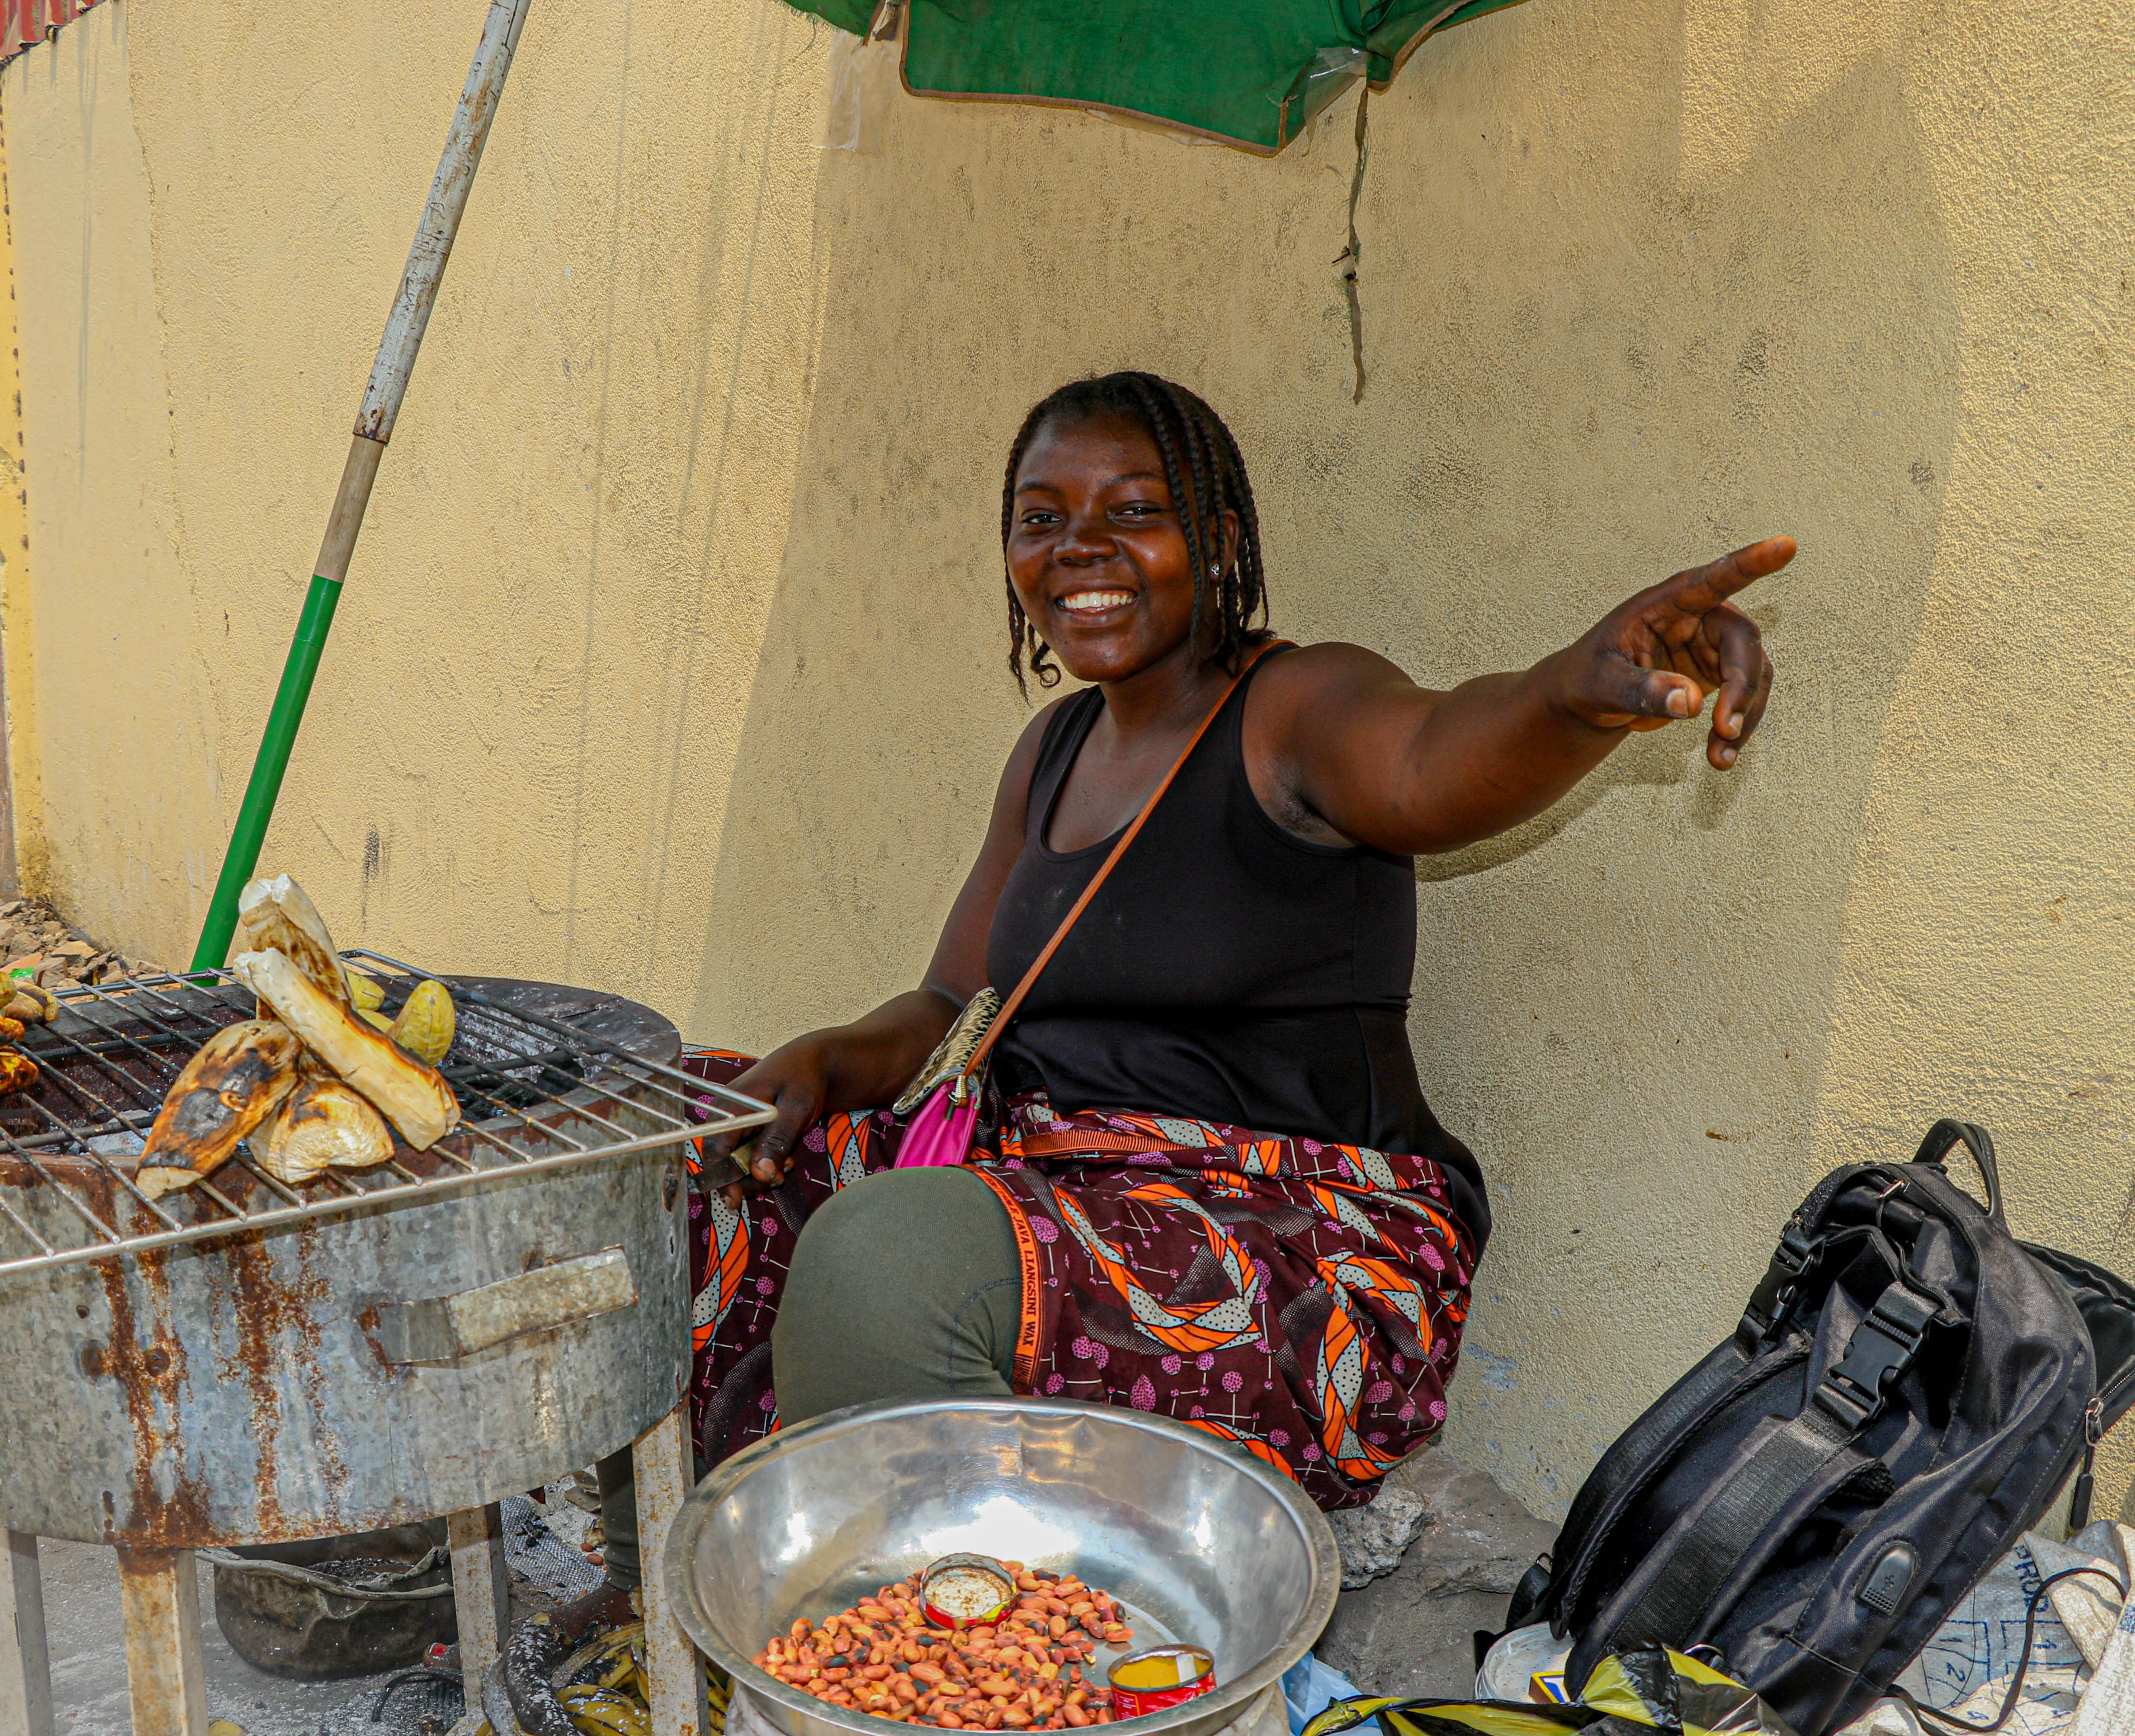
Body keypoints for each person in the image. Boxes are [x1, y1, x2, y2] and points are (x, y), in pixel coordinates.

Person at [553, 370, 1784, 1635]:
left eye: (1131, 511)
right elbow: (952, 1000)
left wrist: (1573, 692)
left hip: (1305, 1237)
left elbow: (1437, 763)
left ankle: (927, 1665)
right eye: (1041, 520)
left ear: (1221, 540)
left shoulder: (1296, 708)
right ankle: (685, 1594)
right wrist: (823, 1059)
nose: (1080, 549)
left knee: (889, 1259)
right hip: (1056, 1182)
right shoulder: (1051, 751)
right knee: (670, 1148)